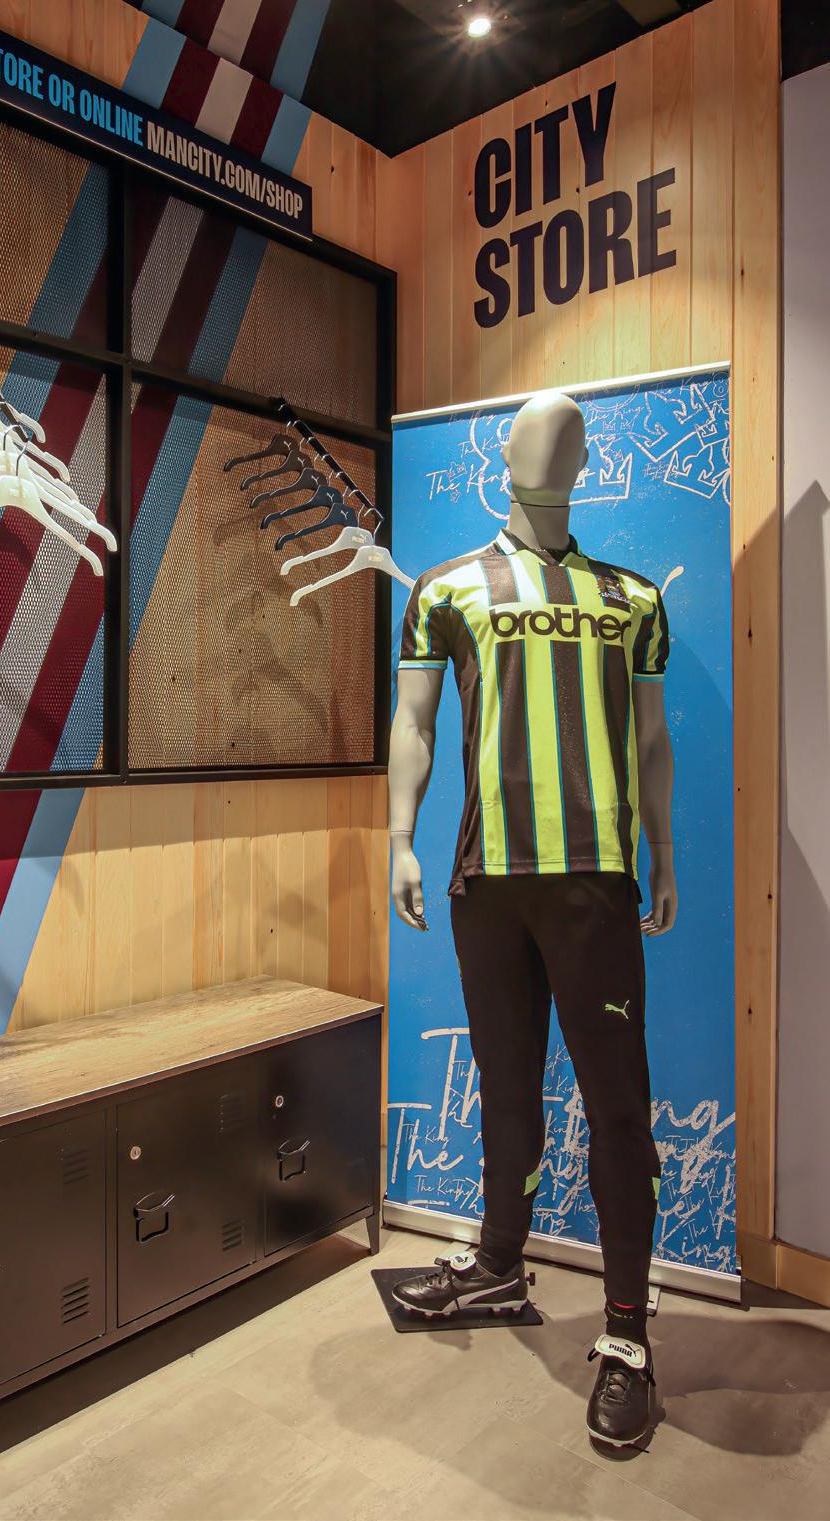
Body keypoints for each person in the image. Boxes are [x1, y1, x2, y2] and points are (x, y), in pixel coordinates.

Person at [387, 390, 676, 1449]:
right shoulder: (444, 587)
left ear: (584, 463)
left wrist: (664, 851)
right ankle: (499, 1265)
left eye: (567, 436)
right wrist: (397, 836)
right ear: (501, 457)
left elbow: (649, 739)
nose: (548, 446)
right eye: (527, 431)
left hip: (593, 880)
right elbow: (414, 722)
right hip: (487, 880)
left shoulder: (632, 598)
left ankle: (627, 1335)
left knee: (616, 1109)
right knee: (505, 1086)